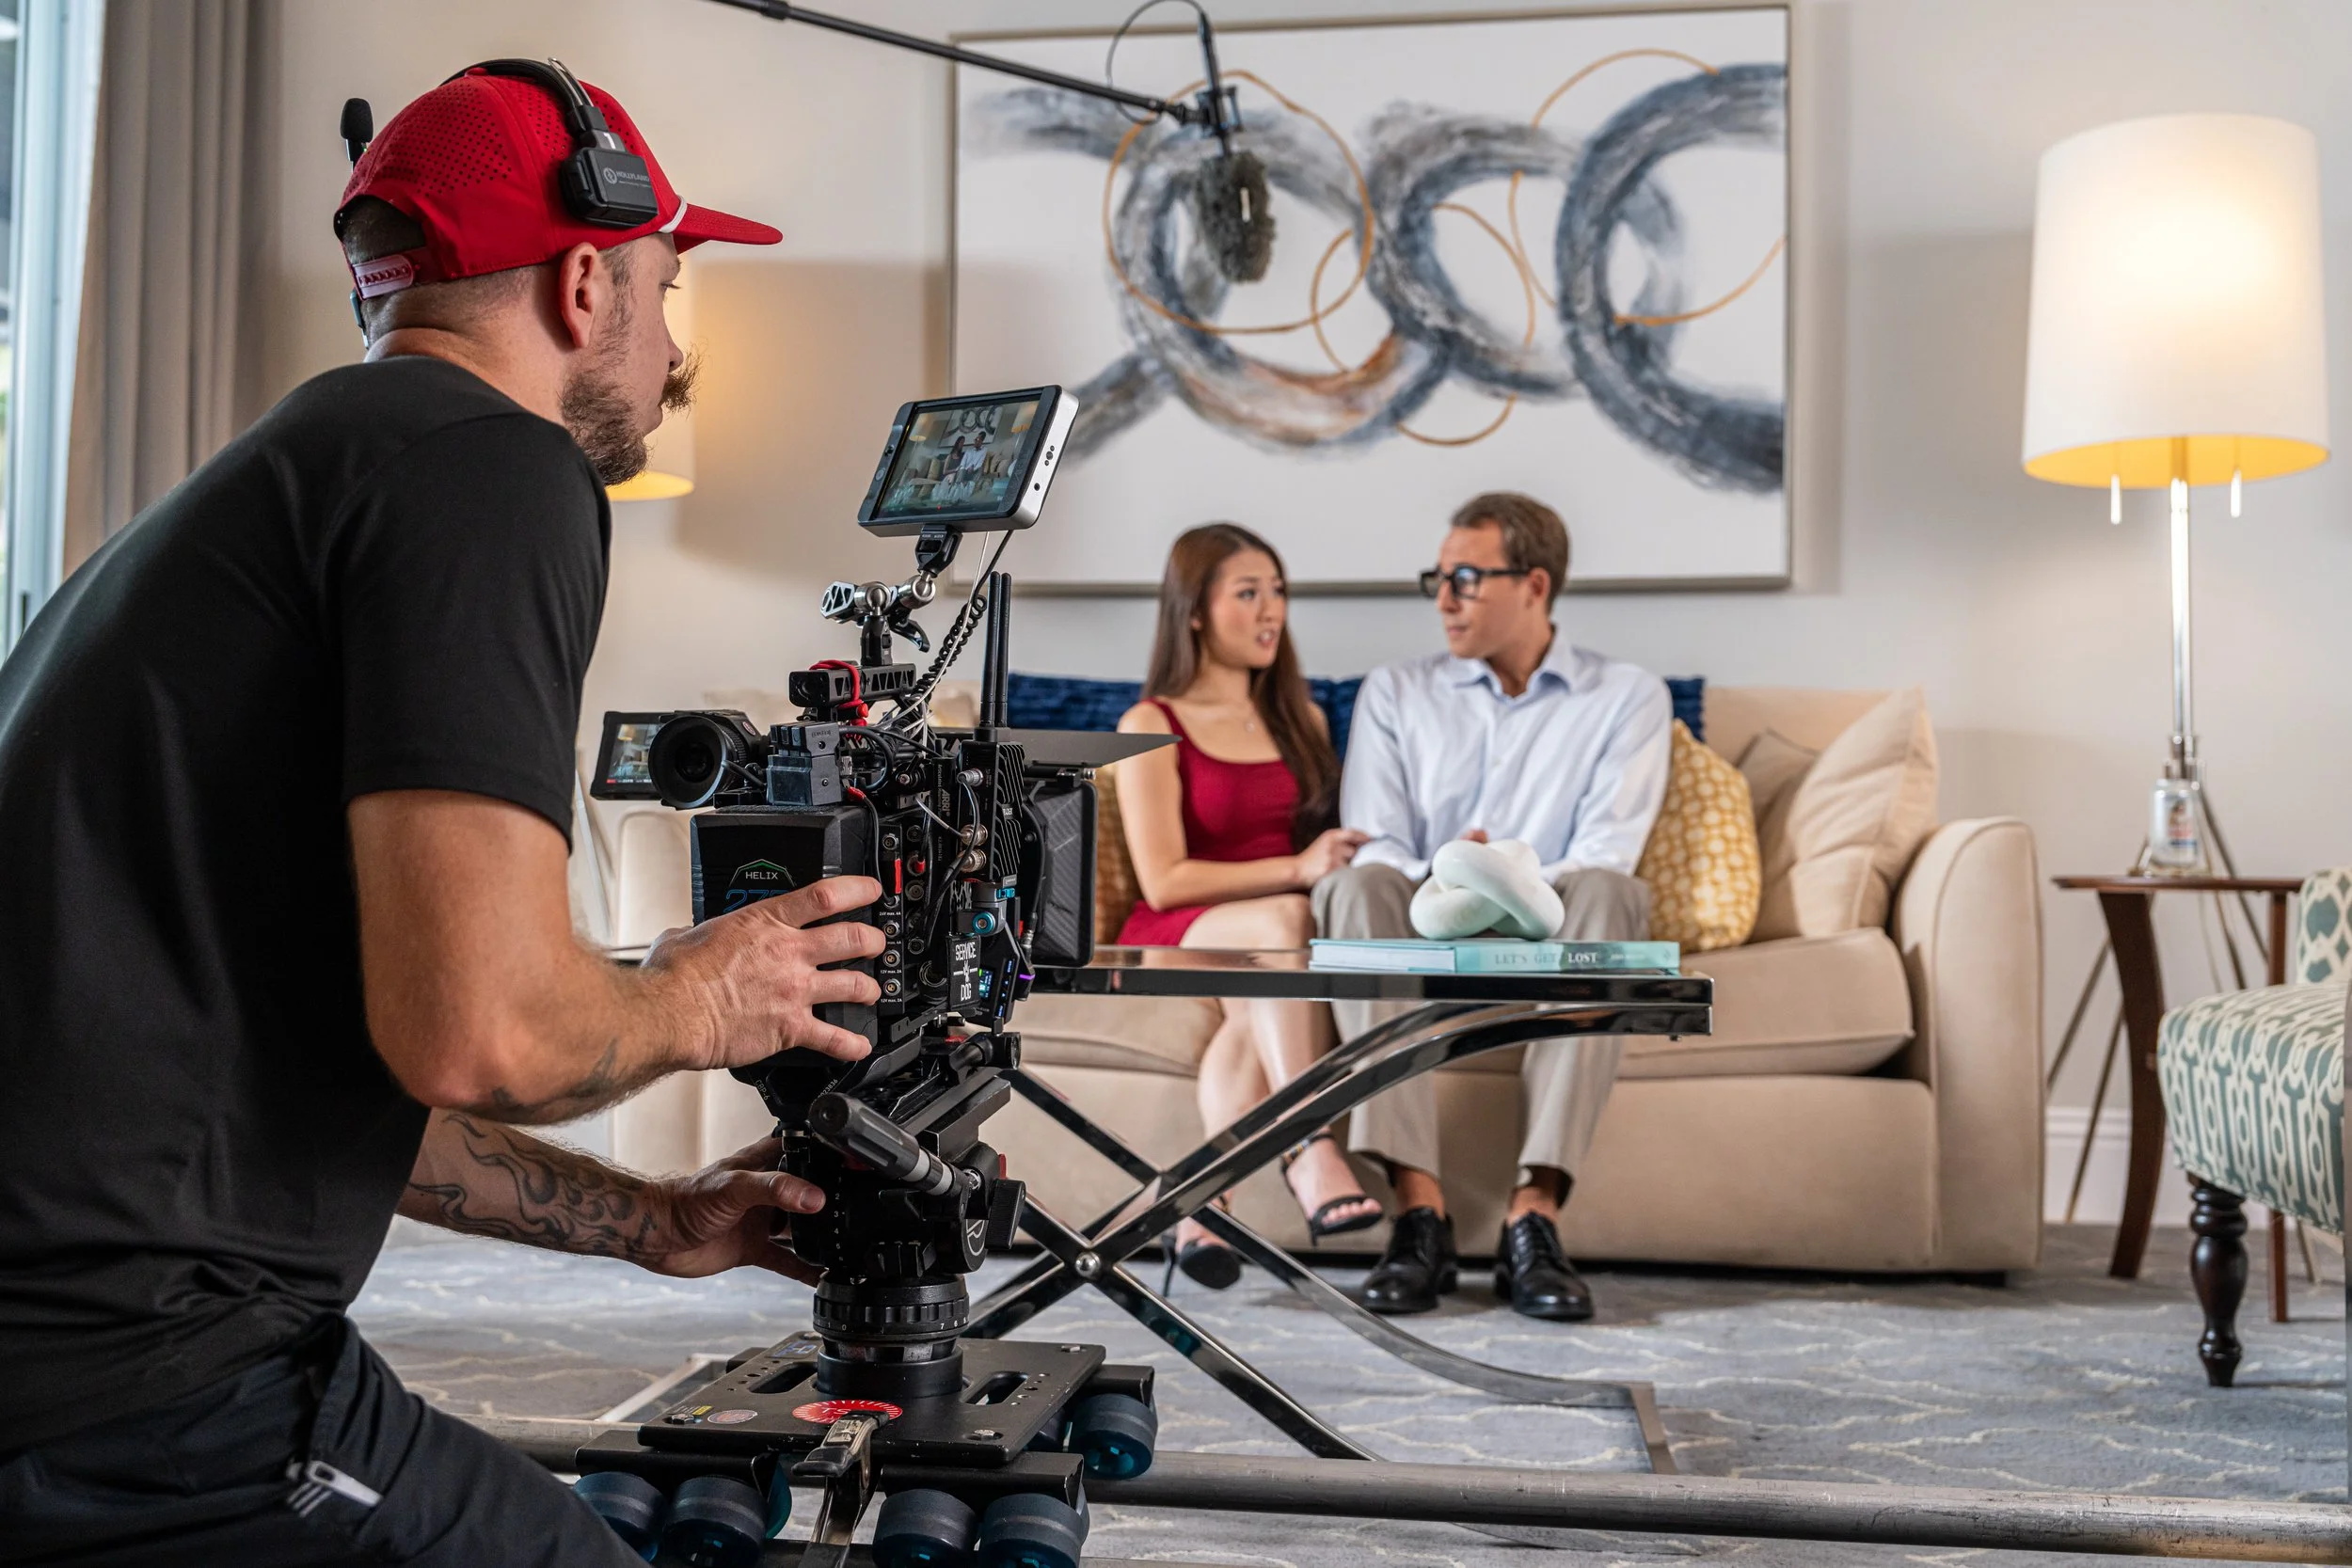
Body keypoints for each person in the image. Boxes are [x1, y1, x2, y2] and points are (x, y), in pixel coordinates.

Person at [0, 68, 880, 1568]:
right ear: (585, 276)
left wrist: (652, 1221)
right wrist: (697, 996)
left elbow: (335, 1073)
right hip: (142, 1392)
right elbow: (481, 1033)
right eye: (670, 291)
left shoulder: (282, 474)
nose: (671, 350)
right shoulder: (491, 467)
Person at [1315, 493, 1672, 1323]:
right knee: (1353, 885)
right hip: (1423, 922)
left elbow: (1604, 852)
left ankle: (1534, 1218)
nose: (1444, 598)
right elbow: (1377, 844)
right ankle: (1419, 1215)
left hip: (1552, 926)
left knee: (1616, 894)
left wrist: (1501, 875)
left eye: (1466, 578)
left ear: (1535, 585)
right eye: (1437, 578)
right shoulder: (1396, 691)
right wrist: (1457, 875)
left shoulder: (1627, 696)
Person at [1114, 524, 1382, 1286]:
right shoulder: (1151, 723)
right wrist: (1295, 868)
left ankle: (1201, 1208)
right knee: (1283, 919)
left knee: (1249, 1012)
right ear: (1194, 609)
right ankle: (1308, 1144)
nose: (1273, 610)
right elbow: (1163, 878)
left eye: (1279, 590)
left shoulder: (1302, 717)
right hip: (1181, 926)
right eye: (1249, 592)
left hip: (1272, 947)